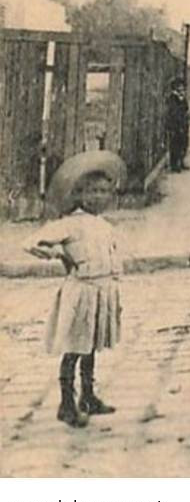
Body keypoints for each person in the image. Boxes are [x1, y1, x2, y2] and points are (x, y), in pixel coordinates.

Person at [28, 151, 127, 428]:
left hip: (101, 290)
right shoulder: (69, 223)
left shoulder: (105, 225)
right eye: (92, 192)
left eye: (105, 191)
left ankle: (88, 395)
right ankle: (66, 403)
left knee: (91, 344)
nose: (99, 197)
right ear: (79, 194)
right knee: (74, 346)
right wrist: (60, 254)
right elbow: (33, 243)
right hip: (81, 292)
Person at [164, 79, 190, 172]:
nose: (182, 89)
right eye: (180, 87)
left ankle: (181, 162)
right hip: (175, 125)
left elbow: (186, 108)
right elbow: (173, 112)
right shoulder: (172, 98)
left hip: (183, 124)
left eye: (183, 87)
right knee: (175, 144)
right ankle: (174, 165)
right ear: (175, 88)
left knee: (183, 143)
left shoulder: (182, 98)